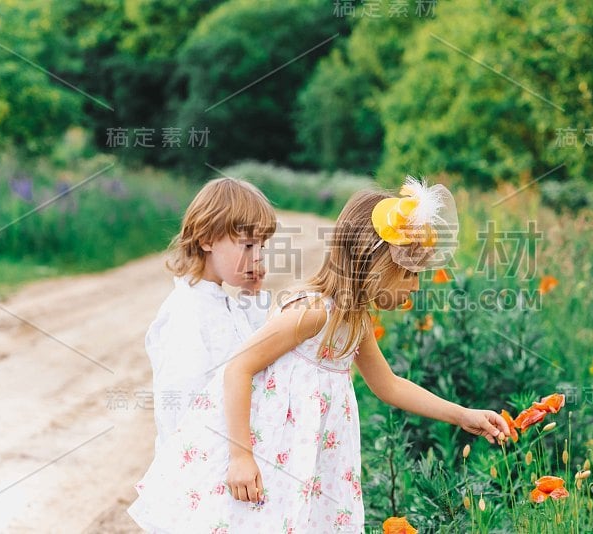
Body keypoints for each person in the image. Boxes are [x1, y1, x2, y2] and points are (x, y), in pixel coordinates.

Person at [128, 178, 510, 532]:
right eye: (409, 273)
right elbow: (239, 368)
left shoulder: (354, 319)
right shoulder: (314, 311)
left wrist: (462, 415)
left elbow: (389, 385)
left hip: (312, 459)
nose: (415, 285)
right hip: (270, 451)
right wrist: (241, 456)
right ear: (372, 263)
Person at [145, 177, 276, 454]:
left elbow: (252, 348)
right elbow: (180, 396)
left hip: (227, 448)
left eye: (262, 247)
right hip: (200, 458)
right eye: (248, 245)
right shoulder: (187, 310)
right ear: (206, 240)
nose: (258, 257)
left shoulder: (221, 301)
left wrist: (252, 294)